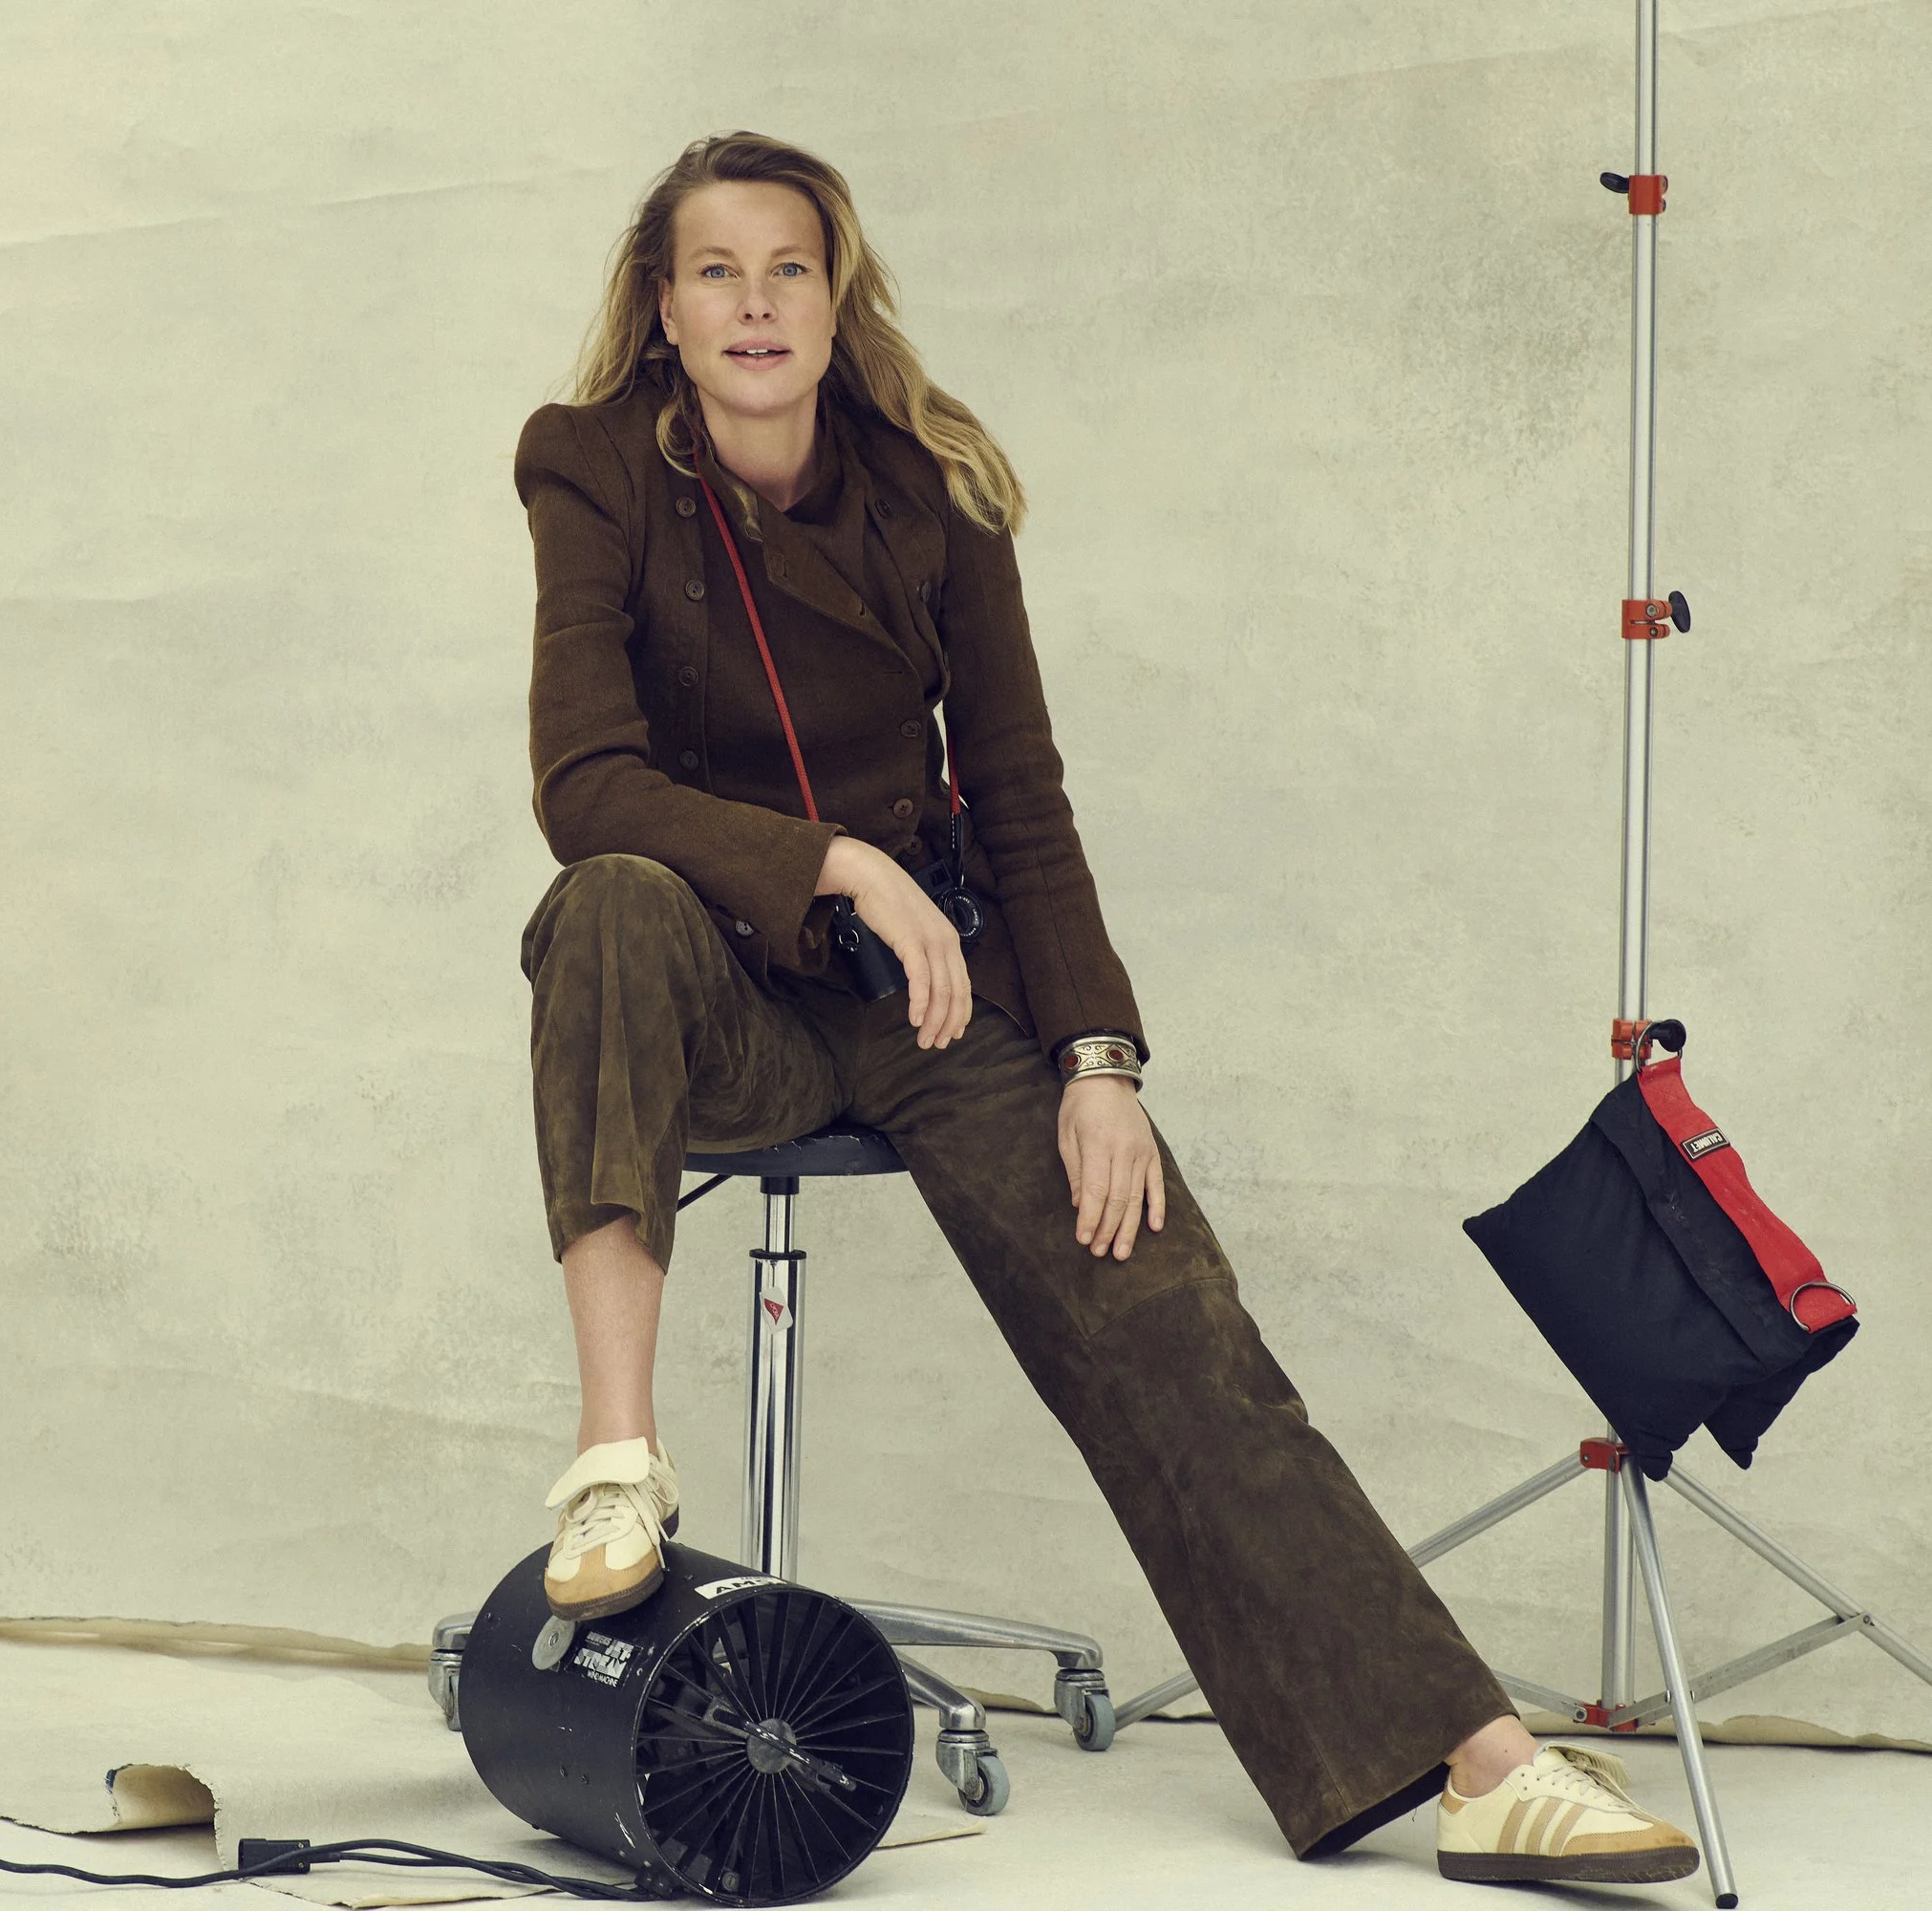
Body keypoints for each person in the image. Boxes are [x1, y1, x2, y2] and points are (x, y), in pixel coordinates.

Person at [510, 128, 1700, 1888]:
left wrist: (1096, 1060)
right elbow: (585, 781)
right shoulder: (591, 465)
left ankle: (1487, 1765)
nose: (755, 304)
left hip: (925, 1000)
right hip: (710, 994)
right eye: (716, 272)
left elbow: (1023, 794)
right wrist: (837, 860)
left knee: (1173, 1323)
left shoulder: (933, 493)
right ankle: (619, 1467)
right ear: (663, 307)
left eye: (790, 270)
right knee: (599, 902)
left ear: (837, 304)